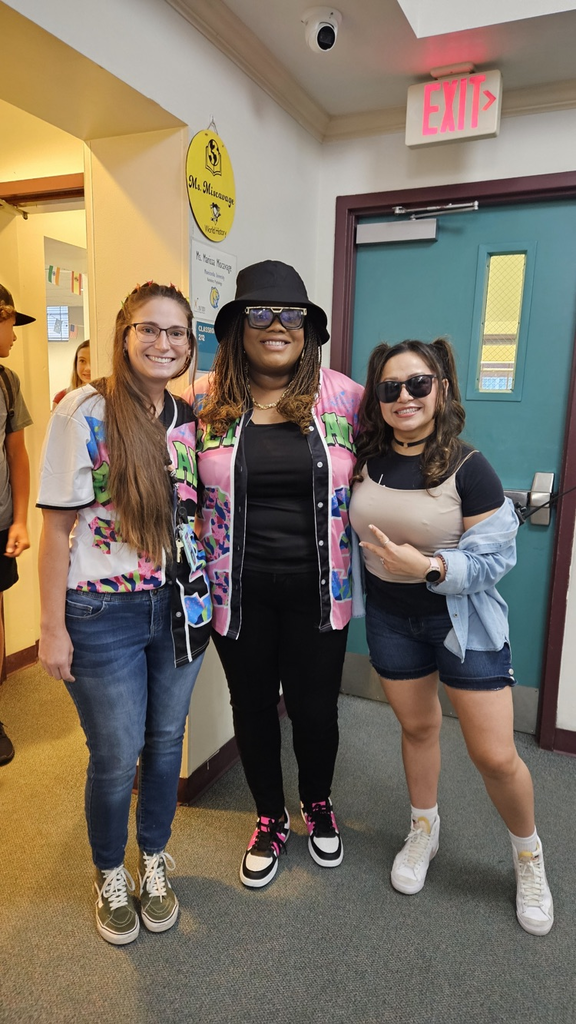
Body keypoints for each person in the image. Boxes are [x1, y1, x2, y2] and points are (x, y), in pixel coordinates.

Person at [349, 337, 553, 936]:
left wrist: (431, 567)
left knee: (494, 754)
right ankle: (424, 827)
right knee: (417, 727)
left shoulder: (470, 466)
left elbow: (495, 562)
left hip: (462, 622)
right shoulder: (365, 460)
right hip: (390, 619)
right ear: (377, 398)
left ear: (441, 388)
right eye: (391, 388)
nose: (405, 397)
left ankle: (528, 856)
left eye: (418, 384)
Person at [37, 282, 212, 945]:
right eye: (150, 329)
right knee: (115, 756)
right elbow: (55, 531)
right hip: (100, 614)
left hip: (179, 606)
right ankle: (111, 870)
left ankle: (154, 859)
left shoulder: (186, 418)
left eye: (177, 333)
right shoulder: (82, 411)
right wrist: (51, 628)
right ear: (123, 331)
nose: (163, 343)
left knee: (166, 744)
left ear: (189, 344)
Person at [185, 260, 363, 888]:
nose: (277, 325)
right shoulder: (203, 399)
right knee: (253, 707)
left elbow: (408, 444)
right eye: (259, 313)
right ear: (238, 328)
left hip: (321, 594)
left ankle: (317, 804)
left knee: (316, 710)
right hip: (239, 596)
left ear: (308, 329)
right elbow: (139, 410)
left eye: (291, 314)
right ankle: (269, 816)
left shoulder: (345, 397)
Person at [0, 284, 34, 767]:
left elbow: (17, 454)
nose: (13, 336)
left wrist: (21, 518)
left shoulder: (7, 382)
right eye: (10, 324)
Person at [52, 339, 91, 408]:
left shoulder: (109, 398)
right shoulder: (61, 398)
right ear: (76, 364)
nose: (88, 368)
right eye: (82, 361)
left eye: (92, 360)